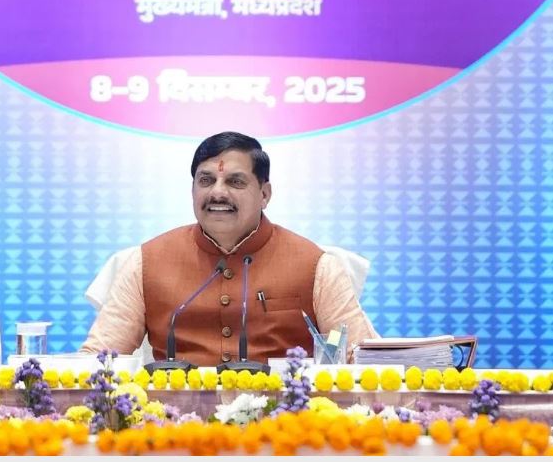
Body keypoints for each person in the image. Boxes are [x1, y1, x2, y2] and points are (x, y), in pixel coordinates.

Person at [81, 132, 378, 366]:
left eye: (235, 182)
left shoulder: (316, 265)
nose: (218, 192)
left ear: (264, 194)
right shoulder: (146, 262)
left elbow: (361, 359)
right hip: (176, 419)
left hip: (285, 419)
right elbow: (99, 359)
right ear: (192, 190)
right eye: (206, 180)